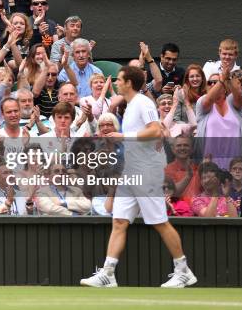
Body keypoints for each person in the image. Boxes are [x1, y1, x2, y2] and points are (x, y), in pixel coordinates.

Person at [81, 66, 197, 288]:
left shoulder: (143, 102)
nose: (116, 83)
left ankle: (183, 270)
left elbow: (156, 130)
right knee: (119, 221)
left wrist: (125, 136)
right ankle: (108, 273)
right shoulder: (131, 105)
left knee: (160, 222)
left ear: (129, 83)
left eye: (120, 80)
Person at [195, 71, 242, 171]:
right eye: (210, 82)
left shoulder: (232, 101)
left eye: (216, 82)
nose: (213, 84)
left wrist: (228, 79)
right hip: (211, 165)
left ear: (225, 87)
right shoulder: (202, 101)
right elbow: (207, 102)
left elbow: (239, 99)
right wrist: (222, 80)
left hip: (236, 165)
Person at [164, 135, 201, 204]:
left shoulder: (199, 169)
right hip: (178, 212)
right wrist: (188, 177)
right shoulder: (167, 170)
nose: (182, 148)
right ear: (173, 149)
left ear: (192, 149)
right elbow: (172, 193)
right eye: (179, 145)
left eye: (186, 145)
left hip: (198, 210)